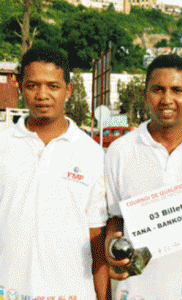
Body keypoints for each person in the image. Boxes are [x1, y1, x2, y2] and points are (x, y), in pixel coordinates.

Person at [104, 54, 182, 300]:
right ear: (145, 94)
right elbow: (115, 219)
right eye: (158, 90)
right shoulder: (120, 150)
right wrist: (112, 243)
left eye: (177, 90)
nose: (167, 99)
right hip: (137, 291)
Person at [0, 47, 110, 300]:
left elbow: (97, 243)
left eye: (53, 86)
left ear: (68, 90)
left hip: (71, 294)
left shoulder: (92, 154)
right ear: (19, 87)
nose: (42, 95)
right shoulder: (2, 144)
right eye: (32, 85)